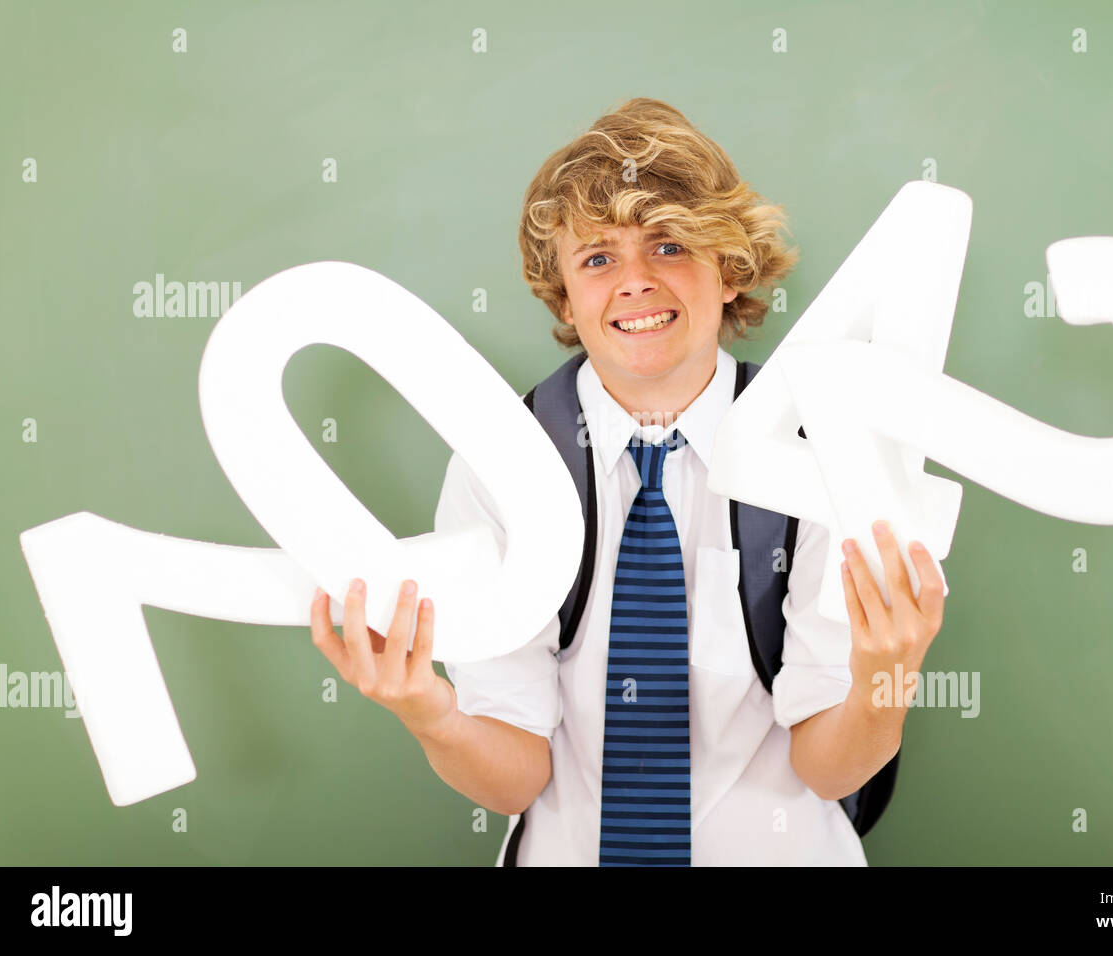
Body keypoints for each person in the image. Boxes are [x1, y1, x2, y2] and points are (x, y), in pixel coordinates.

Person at [308, 98, 946, 866]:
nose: (636, 282)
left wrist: (888, 674)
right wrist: (429, 712)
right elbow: (516, 776)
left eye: (670, 246)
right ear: (565, 295)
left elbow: (829, 765)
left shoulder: (826, 454)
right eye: (598, 258)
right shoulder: (501, 460)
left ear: (730, 267)